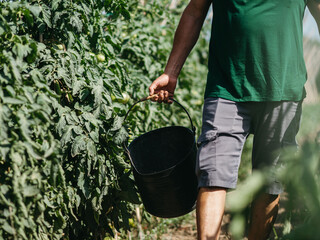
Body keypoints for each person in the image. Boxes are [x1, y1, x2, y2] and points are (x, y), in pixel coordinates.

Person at [148, 0, 320, 239]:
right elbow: (195, 11)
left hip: (283, 91)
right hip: (227, 87)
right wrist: (171, 71)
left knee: (270, 182)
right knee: (212, 174)